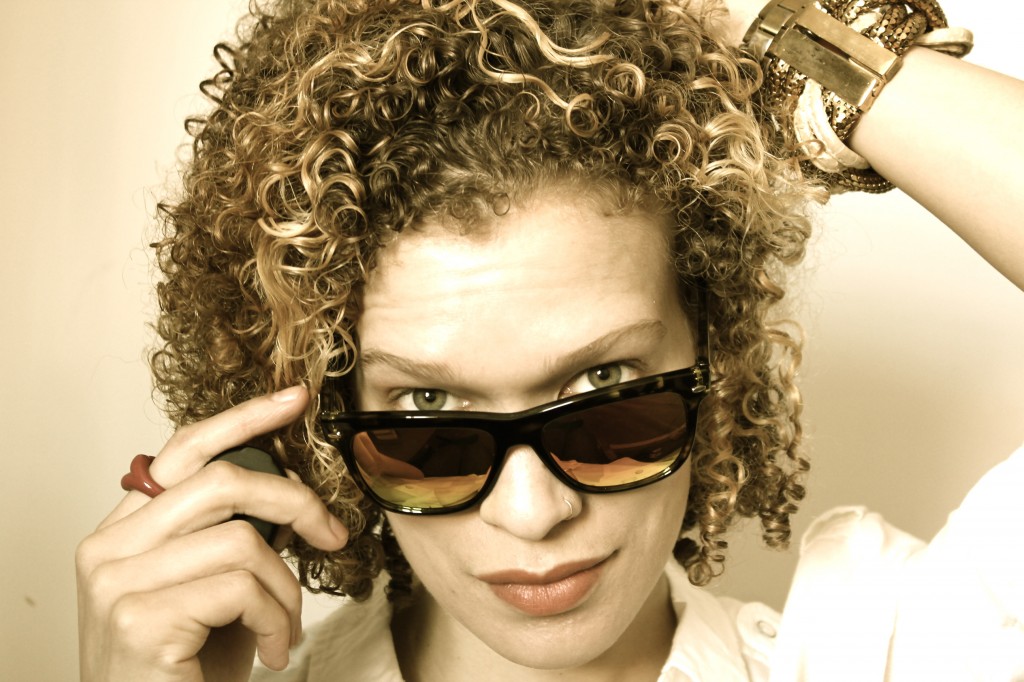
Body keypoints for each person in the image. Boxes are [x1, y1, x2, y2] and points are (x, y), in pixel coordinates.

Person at [75, 0, 1024, 680]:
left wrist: (770, 40)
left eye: (605, 385)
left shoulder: (875, 651)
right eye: (429, 408)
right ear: (323, 425)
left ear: (714, 360)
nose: (533, 516)